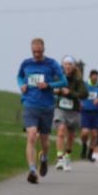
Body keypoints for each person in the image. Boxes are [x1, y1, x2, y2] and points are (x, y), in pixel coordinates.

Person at [17, 39, 66, 183]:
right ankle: (32, 170)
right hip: (30, 104)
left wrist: (48, 84)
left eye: (39, 51)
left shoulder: (51, 64)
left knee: (44, 141)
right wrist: (22, 85)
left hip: (47, 106)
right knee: (32, 135)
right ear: (31, 50)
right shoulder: (26, 63)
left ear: (44, 49)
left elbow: (64, 82)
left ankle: (44, 158)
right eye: (34, 52)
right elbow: (19, 76)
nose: (37, 54)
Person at [52, 56, 88, 171]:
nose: (67, 66)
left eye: (70, 64)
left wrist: (70, 93)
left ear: (73, 66)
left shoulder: (78, 80)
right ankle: (60, 158)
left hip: (73, 110)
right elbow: (50, 87)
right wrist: (55, 90)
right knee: (61, 130)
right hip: (60, 108)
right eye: (65, 64)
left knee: (71, 136)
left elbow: (84, 94)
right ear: (62, 65)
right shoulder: (58, 76)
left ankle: (67, 156)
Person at [80, 69, 98, 162]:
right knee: (85, 132)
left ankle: (90, 153)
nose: (95, 78)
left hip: (96, 113)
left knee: (95, 134)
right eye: (94, 77)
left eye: (97, 77)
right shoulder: (84, 84)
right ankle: (84, 145)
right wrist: (79, 102)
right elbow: (78, 93)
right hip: (85, 112)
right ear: (90, 77)